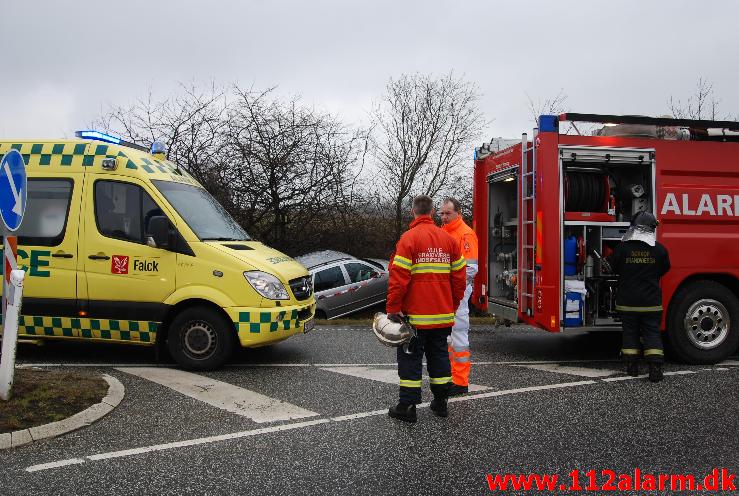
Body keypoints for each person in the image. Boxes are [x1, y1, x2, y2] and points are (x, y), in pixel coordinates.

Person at [386, 195, 467, 422]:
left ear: (413, 212)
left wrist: (393, 308)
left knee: (410, 358)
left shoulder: (408, 239)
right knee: (439, 356)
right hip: (441, 316)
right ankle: (440, 403)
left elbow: (399, 279)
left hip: (415, 318)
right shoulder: (449, 240)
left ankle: (408, 407)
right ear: (432, 213)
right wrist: (452, 305)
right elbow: (460, 279)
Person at [606, 211, 671, 382]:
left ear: (634, 227)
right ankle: (655, 368)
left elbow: (611, 268)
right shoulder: (659, 250)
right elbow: (664, 269)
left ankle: (631, 367)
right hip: (651, 303)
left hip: (627, 303)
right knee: (652, 334)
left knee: (630, 333)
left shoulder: (622, 248)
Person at [439, 197, 479, 395]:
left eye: (448, 213)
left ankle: (461, 381)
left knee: (459, 335)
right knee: (447, 337)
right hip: (445, 291)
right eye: (442, 213)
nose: (444, 217)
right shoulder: (443, 232)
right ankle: (451, 377)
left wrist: (447, 282)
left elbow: (470, 269)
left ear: (458, 213)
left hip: (458, 292)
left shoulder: (465, 234)